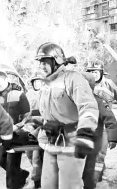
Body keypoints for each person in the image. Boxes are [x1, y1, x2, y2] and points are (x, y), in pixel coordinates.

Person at [32, 42, 99, 189]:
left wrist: (85, 135)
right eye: (40, 62)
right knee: (47, 185)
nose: (41, 66)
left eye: (45, 62)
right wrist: (30, 130)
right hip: (51, 142)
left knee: (69, 186)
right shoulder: (44, 84)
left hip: (71, 145)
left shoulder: (73, 79)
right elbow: (41, 112)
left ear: (57, 61)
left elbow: (88, 107)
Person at [0, 71, 30, 189]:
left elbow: (27, 114)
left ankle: (14, 184)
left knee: (11, 171)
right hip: (2, 135)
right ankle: (22, 174)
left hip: (17, 134)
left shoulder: (18, 94)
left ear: (6, 80)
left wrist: (18, 126)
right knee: (0, 160)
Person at [81, 72, 117, 189]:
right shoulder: (74, 101)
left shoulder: (98, 101)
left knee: (89, 169)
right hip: (79, 140)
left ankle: (89, 185)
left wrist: (112, 138)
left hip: (94, 141)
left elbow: (110, 119)